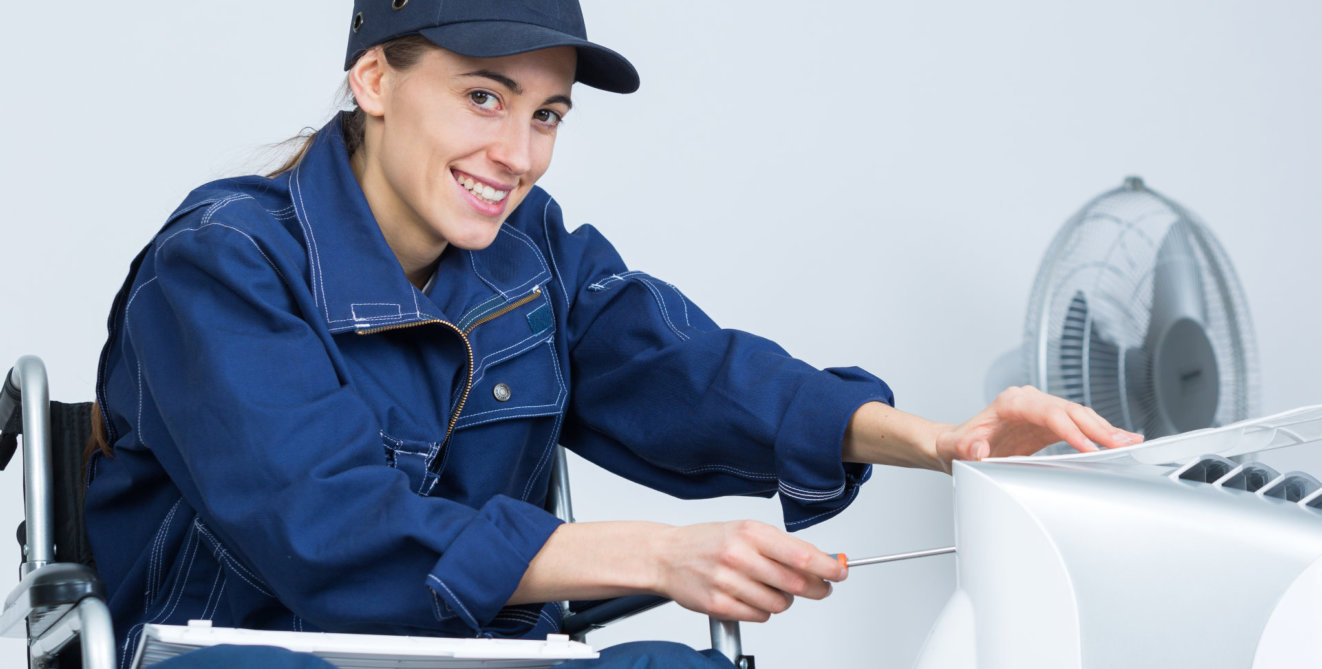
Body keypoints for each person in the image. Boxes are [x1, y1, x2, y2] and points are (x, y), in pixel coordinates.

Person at [83, 2, 1141, 667]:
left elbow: (684, 371)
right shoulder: (219, 267)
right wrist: (658, 554)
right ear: (373, 83)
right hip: (253, 654)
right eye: (484, 97)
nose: (519, 153)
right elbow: (332, 531)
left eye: (545, 114)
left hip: (477, 656)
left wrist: (941, 440)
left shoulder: (528, 250)